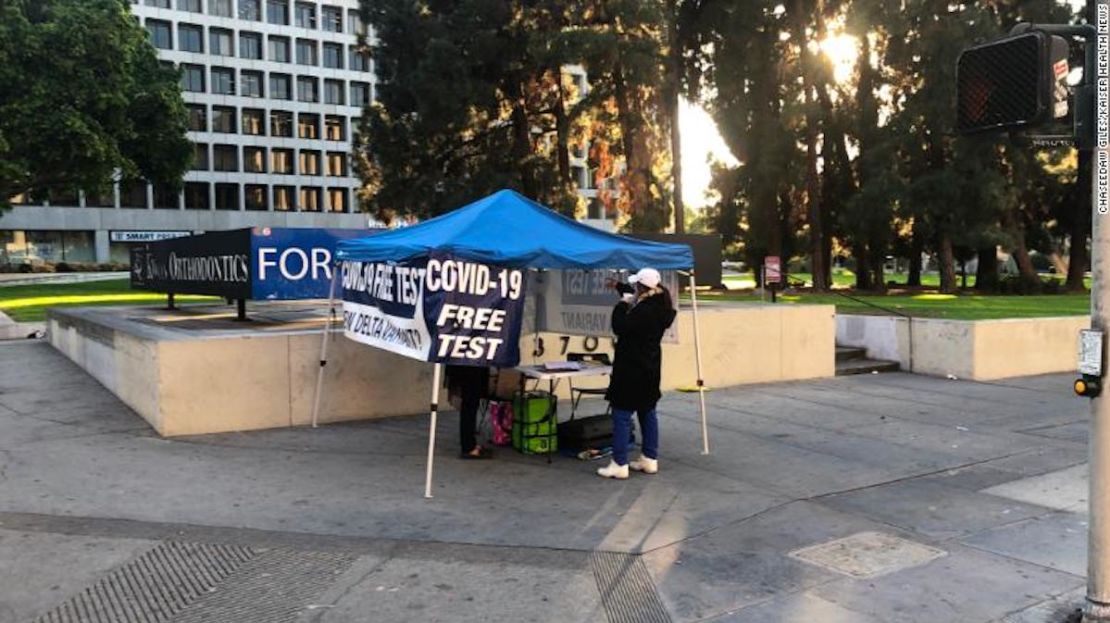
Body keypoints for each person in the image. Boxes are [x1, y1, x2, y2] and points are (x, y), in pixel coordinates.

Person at [597, 267, 676, 479]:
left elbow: (619, 326)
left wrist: (622, 304)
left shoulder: (643, 311)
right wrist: (619, 287)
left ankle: (619, 463)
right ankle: (649, 459)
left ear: (642, 288)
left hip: (631, 368)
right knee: (647, 412)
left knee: (621, 414)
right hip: (650, 368)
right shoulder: (660, 305)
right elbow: (634, 294)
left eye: (636, 286)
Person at [446, 365, 493, 459]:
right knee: (470, 403)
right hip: (470, 367)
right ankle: (469, 447)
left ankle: (470, 443)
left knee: (470, 403)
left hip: (468, 366)